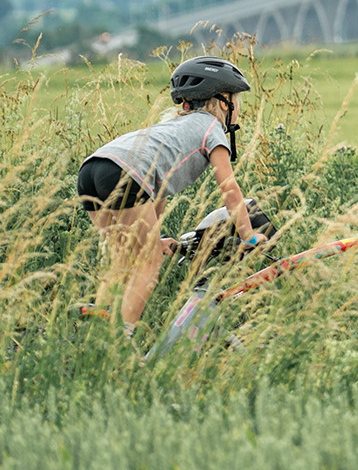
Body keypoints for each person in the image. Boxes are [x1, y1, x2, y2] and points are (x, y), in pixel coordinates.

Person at [77, 56, 259, 333]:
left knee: (124, 258)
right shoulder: (211, 129)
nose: (239, 111)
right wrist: (249, 237)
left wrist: (156, 237)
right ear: (223, 102)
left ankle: (96, 333)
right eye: (236, 101)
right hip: (126, 174)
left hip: (93, 169)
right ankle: (119, 338)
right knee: (149, 264)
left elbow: (155, 189)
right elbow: (229, 189)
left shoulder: (172, 128)